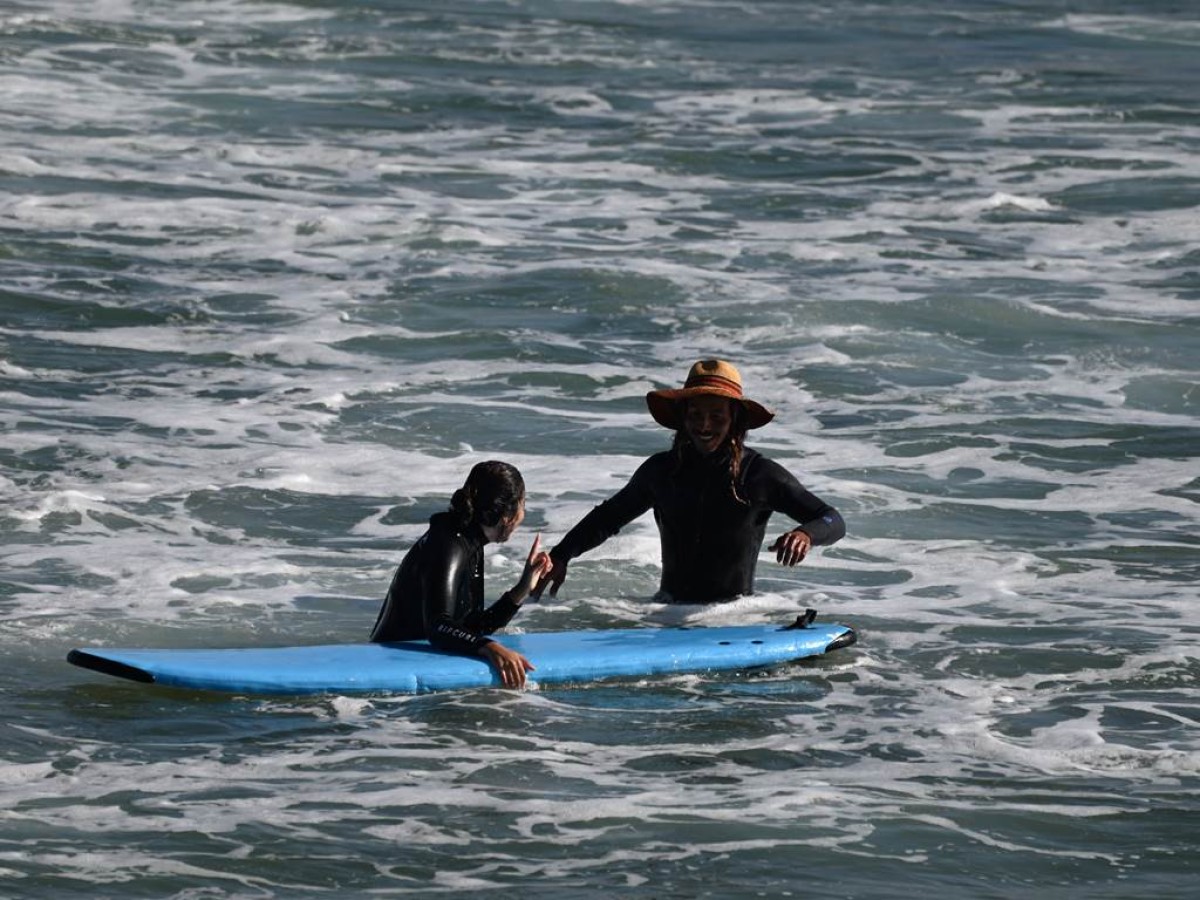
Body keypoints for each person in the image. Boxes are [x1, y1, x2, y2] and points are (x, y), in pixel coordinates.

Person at [536, 359, 845, 604]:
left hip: (732, 616)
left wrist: (806, 534)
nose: (704, 425)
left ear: (734, 420)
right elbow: (608, 517)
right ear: (683, 418)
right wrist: (561, 556)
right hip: (667, 610)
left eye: (717, 416)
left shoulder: (759, 475)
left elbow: (832, 519)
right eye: (695, 414)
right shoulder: (661, 471)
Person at [370, 460, 552, 688]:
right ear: (507, 515)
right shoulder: (450, 544)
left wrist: (523, 588)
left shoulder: (467, 540)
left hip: (407, 665)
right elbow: (439, 626)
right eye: (523, 504)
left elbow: (471, 628)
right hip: (389, 677)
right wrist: (490, 647)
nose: (523, 513)